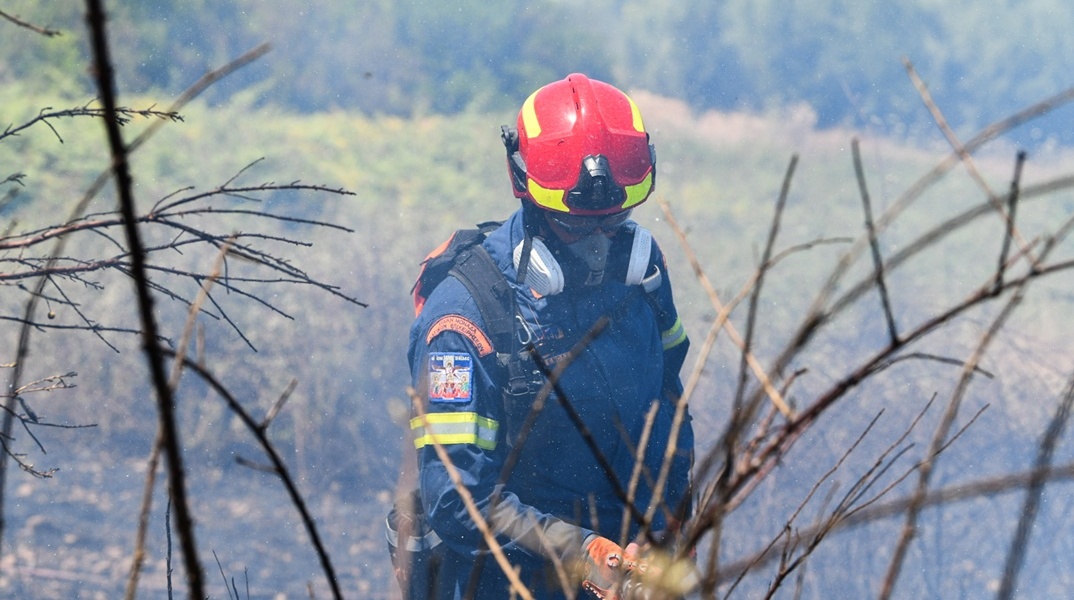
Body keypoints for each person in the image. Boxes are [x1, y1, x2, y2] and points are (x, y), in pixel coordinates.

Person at [404, 73, 693, 599]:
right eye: (579, 227)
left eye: (616, 220)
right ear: (531, 196)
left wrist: (663, 533)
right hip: (506, 582)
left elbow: (669, 406)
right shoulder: (466, 321)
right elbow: (458, 499)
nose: (604, 245)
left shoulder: (644, 279)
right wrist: (581, 552)